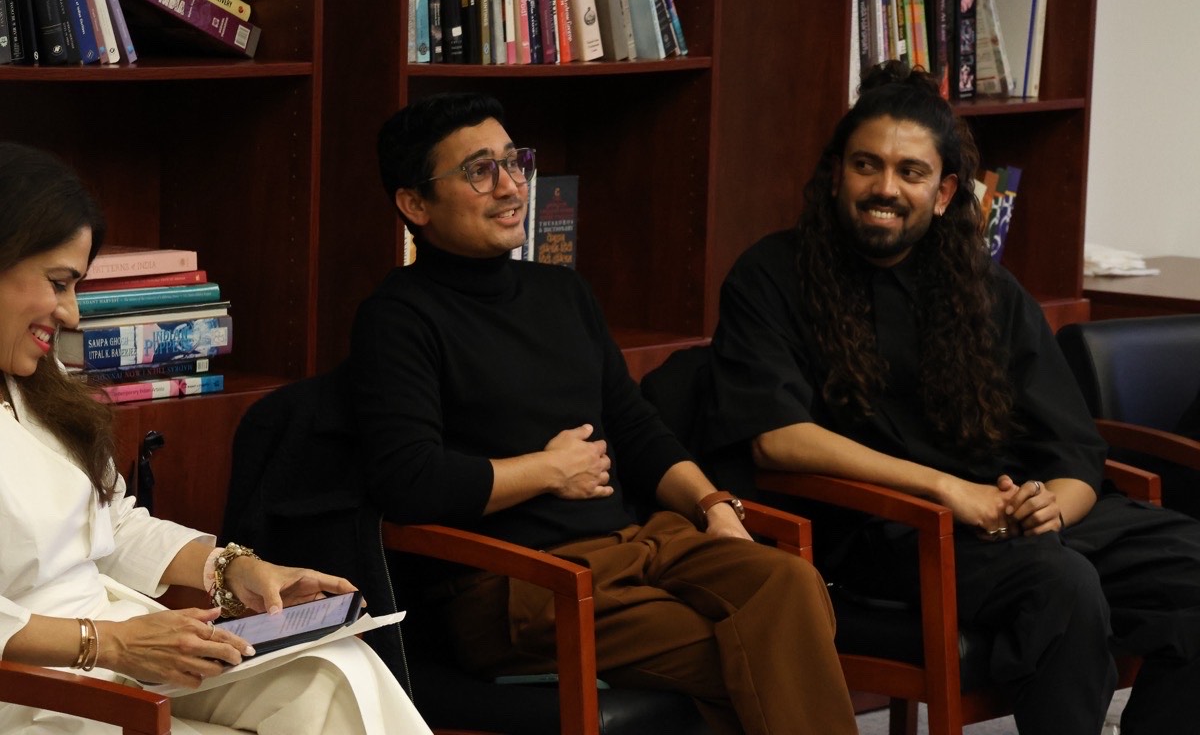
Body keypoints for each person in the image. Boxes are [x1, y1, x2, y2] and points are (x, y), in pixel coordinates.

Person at [703, 61, 1200, 735]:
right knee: (1063, 586)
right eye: (866, 165)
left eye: (910, 173)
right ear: (834, 176)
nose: (885, 188)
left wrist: (1052, 507)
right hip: (886, 533)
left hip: (1014, 519)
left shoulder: (984, 288)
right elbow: (778, 436)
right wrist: (948, 492)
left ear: (943, 194)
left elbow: (1074, 447)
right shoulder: (771, 275)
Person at [345, 92, 857, 735]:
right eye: (480, 171)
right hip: (520, 586)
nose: (510, 186)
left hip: (643, 546)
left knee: (791, 587)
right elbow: (408, 481)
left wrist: (712, 506)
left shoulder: (563, 292)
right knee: (766, 652)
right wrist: (547, 471)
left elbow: (637, 428)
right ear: (414, 204)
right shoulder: (398, 318)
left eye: (514, 162)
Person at [0, 142, 432, 735]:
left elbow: (112, 522)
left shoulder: (35, 378)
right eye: (58, 283)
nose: (72, 314)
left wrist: (233, 569)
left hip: (125, 644)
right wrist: (111, 645)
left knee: (331, 672)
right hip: (31, 684)